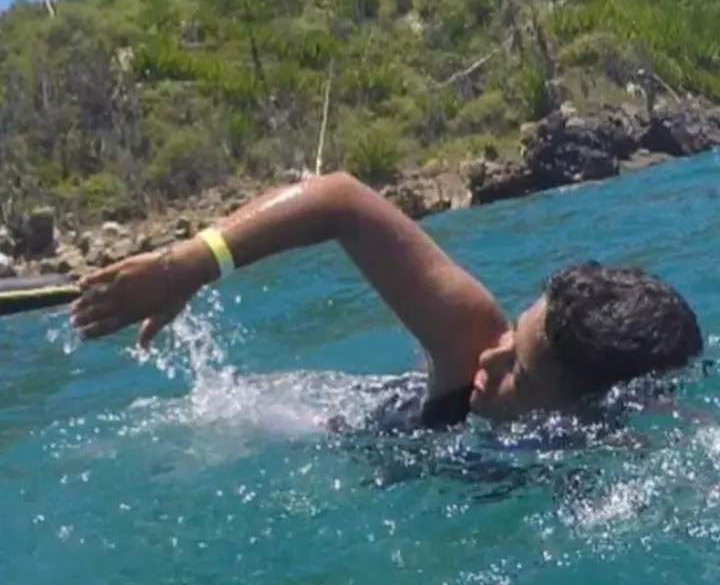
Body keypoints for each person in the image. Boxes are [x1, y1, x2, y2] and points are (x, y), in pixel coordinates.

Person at [70, 171, 703, 428]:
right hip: (321, 423)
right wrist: (187, 265)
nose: (492, 359)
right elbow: (339, 200)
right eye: (515, 334)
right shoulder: (469, 342)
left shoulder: (629, 434)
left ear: (584, 412)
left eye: (520, 371)